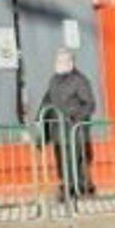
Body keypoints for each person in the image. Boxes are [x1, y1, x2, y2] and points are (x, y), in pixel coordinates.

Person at [39, 47, 96, 197]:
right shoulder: (54, 80)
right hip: (58, 130)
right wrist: (40, 125)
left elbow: (89, 104)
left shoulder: (80, 80)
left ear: (71, 62)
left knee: (76, 161)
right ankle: (68, 188)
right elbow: (46, 102)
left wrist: (76, 118)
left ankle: (79, 189)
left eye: (63, 60)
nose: (60, 63)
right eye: (58, 60)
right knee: (62, 162)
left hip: (75, 130)